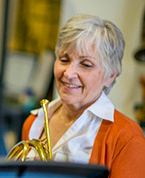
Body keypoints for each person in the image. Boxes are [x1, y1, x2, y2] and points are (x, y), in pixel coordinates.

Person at [20, 14, 145, 177]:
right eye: (64, 60)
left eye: (86, 65)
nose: (69, 73)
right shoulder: (34, 122)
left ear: (110, 76)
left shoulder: (126, 137)